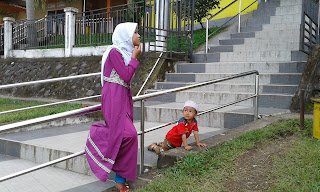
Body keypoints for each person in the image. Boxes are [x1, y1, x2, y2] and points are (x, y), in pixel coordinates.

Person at [85, 22, 141, 192]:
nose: (139, 36)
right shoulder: (115, 52)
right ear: (126, 36)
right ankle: (96, 135)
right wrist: (134, 58)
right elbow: (125, 75)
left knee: (128, 136)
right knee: (128, 134)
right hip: (113, 97)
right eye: (135, 33)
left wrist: (132, 57)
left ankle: (119, 179)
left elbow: (126, 79)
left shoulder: (124, 53)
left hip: (122, 96)